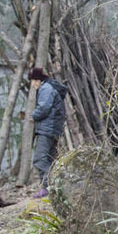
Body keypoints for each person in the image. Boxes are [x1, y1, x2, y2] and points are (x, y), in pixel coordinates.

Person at [29, 68, 67, 199]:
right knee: (50, 159)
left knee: (40, 159)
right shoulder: (51, 87)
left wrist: (33, 115)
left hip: (47, 129)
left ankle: (48, 186)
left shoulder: (46, 89)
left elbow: (44, 108)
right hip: (54, 128)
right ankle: (53, 186)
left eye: (33, 81)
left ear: (38, 80)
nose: (32, 85)